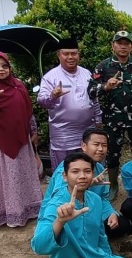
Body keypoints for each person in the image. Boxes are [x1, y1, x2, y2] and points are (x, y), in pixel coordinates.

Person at [0, 51, 42, 228]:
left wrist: (33, 131)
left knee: (24, 173)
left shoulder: (17, 85)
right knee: (8, 175)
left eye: (5, 66)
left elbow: (28, 110)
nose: (1, 69)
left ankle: (30, 209)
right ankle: (11, 213)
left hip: (22, 137)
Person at [88, 30, 132, 201]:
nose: (123, 46)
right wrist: (105, 87)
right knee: (112, 154)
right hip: (112, 119)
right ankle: (113, 186)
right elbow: (90, 90)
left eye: (126, 43)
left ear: (131, 46)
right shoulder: (103, 67)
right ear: (113, 46)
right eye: (119, 43)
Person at [43, 126, 130, 239]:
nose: (100, 149)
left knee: (122, 224)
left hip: (89, 211)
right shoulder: (69, 166)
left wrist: (111, 213)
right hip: (65, 214)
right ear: (84, 146)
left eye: (104, 145)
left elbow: (103, 198)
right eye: (96, 144)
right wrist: (86, 185)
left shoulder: (99, 168)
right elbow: (59, 195)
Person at [38, 38, 102, 170]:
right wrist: (53, 96)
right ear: (58, 55)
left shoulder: (86, 73)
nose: (70, 57)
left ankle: (88, 191)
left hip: (86, 131)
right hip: (63, 134)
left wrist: (98, 119)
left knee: (88, 168)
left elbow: (94, 97)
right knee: (65, 172)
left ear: (78, 54)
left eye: (74, 53)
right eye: (66, 54)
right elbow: (41, 101)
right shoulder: (50, 77)